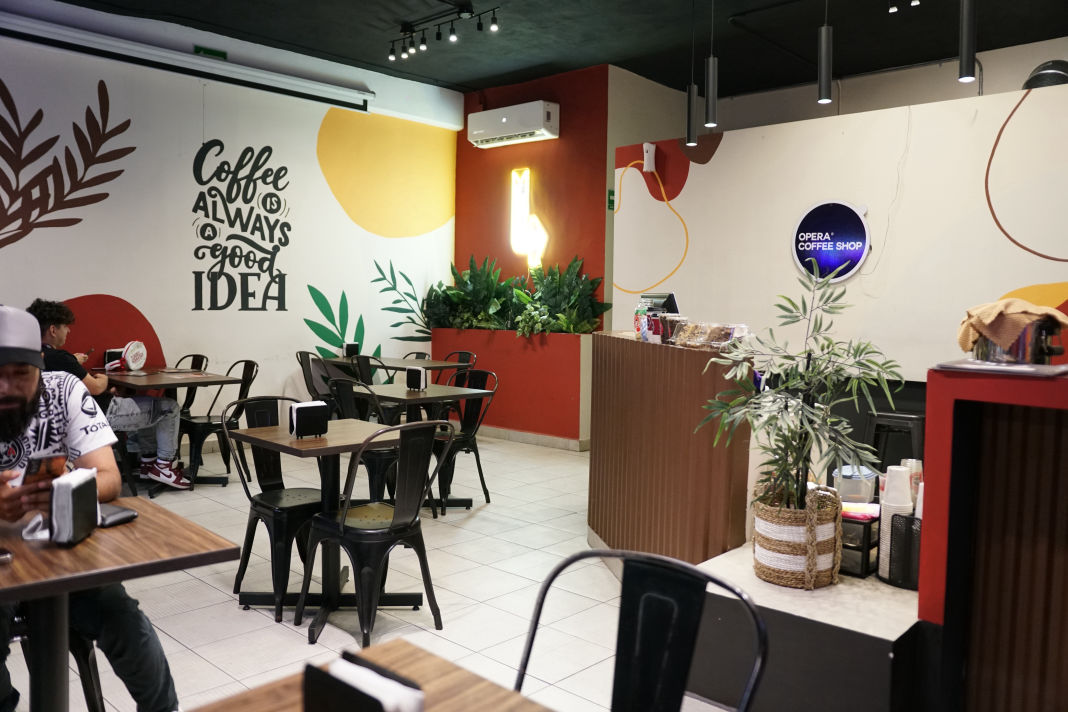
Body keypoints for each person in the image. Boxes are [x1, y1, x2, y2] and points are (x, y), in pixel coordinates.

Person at [0, 305, 180, 712]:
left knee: (124, 620)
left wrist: (66, 490)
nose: (6, 387)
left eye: (20, 374)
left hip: (58, 551)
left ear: (40, 364)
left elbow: (109, 477)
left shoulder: (63, 390)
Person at [25, 299, 190, 490]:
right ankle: (164, 466)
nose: (68, 331)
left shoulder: (31, 358)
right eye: (65, 327)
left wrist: (75, 363)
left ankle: (147, 463)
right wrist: (103, 380)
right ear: (53, 330)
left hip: (69, 421)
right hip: (102, 415)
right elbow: (95, 387)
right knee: (168, 407)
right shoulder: (61, 358)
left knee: (146, 403)